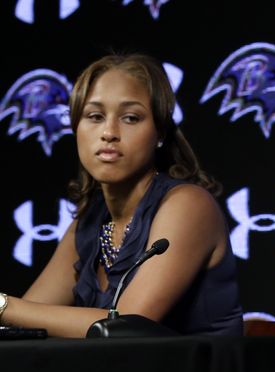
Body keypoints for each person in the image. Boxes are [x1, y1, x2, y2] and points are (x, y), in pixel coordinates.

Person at [0, 53, 243, 337]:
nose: (109, 132)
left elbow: (126, 327)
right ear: (76, 128)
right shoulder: (90, 223)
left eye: (130, 118)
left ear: (160, 132)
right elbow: (23, 321)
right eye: (95, 116)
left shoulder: (189, 205)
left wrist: (3, 305)